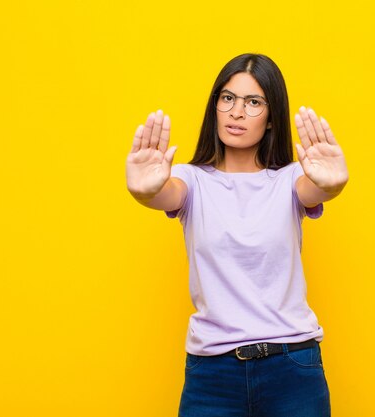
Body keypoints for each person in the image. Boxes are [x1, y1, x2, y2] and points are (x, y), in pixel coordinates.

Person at [126, 53, 348, 417]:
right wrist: (143, 191)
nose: (237, 112)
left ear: (273, 116)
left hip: (292, 367)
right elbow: (164, 193)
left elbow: (316, 190)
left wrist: (332, 185)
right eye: (227, 98)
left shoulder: (291, 179)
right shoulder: (191, 180)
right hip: (212, 374)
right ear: (215, 106)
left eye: (253, 102)